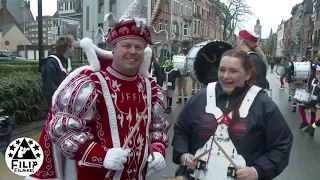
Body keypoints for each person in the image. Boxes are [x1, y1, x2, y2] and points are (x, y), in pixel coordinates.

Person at [26, 0, 170, 179]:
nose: (133, 51)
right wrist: (102, 155)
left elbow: (157, 127)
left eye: (138, 47)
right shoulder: (91, 83)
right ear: (114, 47)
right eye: (126, 45)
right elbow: (63, 129)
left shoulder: (150, 88)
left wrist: (158, 149)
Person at [172, 49, 293, 180]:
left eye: (233, 71)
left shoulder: (263, 105)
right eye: (222, 70)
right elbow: (181, 131)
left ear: (248, 74)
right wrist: (183, 153)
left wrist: (257, 171)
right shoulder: (201, 97)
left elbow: (281, 146)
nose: (225, 76)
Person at [41, 35, 74, 110]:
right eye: (72, 47)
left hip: (66, 102)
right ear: (67, 47)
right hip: (55, 104)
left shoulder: (66, 62)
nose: (73, 49)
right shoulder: (51, 62)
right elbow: (50, 87)